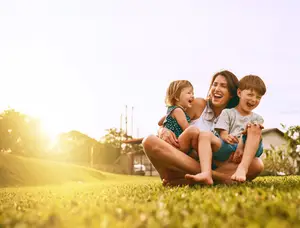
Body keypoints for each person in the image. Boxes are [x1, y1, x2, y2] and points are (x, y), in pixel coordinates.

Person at [142, 70, 264, 185]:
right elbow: (168, 119)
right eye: (214, 84)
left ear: (232, 94)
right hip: (182, 160)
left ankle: (192, 177)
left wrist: (240, 149)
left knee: (257, 164)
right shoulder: (198, 104)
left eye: (223, 86)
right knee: (149, 141)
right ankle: (218, 178)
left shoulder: (237, 115)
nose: (217, 89)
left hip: (218, 164)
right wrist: (163, 130)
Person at [185, 75, 266, 183]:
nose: (253, 99)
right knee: (204, 134)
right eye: (250, 95)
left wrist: (241, 147)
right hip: (229, 145)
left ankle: (242, 169)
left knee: (254, 127)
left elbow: (252, 138)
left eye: (258, 97)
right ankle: (206, 173)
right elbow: (222, 131)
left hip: (249, 148)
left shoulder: (257, 118)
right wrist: (225, 136)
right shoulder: (228, 112)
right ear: (239, 93)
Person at [161, 80, 213, 184]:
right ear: (176, 97)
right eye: (189, 93)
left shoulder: (171, 110)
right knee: (193, 132)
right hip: (176, 143)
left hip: (173, 144)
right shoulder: (179, 111)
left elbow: (160, 122)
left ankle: (178, 178)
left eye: (193, 93)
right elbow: (186, 128)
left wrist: (164, 127)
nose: (192, 96)